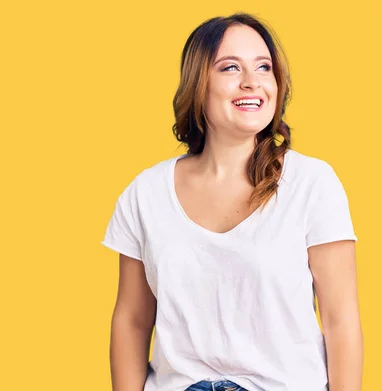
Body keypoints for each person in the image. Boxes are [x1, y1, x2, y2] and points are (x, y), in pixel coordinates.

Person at [101, 12, 363, 391]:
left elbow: (341, 321)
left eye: (263, 67)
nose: (252, 82)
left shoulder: (312, 184)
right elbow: (132, 320)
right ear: (198, 83)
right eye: (229, 68)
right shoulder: (146, 193)